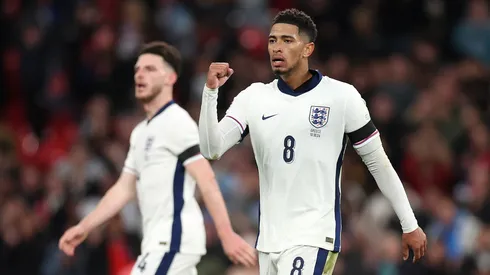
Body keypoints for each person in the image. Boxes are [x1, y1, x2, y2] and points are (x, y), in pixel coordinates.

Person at [198, 8, 427, 275]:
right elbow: (211, 149)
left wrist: (409, 223)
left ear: (307, 49)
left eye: (287, 40)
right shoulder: (253, 97)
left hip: (314, 237)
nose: (277, 48)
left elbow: (378, 163)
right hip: (269, 241)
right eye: (273, 40)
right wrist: (210, 92)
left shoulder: (341, 97)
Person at [58, 41, 257, 274]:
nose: (141, 75)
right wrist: (85, 226)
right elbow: (123, 188)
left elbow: (206, 180)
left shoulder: (177, 123)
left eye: (150, 69)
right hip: (157, 242)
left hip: (173, 242)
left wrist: (226, 234)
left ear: (170, 78)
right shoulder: (141, 132)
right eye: (138, 69)